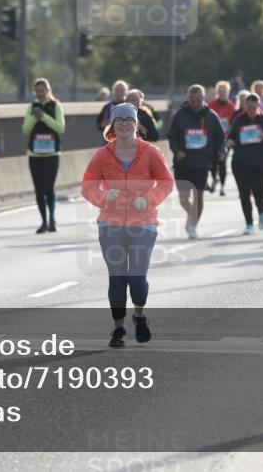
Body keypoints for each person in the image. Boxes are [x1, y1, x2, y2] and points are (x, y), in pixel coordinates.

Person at [81, 103, 174, 348]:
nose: (123, 123)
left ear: (136, 124)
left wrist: (149, 199)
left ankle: (139, 315)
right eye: (119, 119)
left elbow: (166, 182)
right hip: (110, 223)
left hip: (144, 222)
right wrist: (102, 198)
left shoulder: (151, 152)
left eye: (128, 119)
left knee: (137, 278)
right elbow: (87, 185)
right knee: (117, 278)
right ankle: (118, 329)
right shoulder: (103, 154)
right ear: (112, 125)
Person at [168, 84, 225, 239]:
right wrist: (177, 150)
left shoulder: (211, 116)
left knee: (199, 195)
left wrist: (221, 151)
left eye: (199, 101)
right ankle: (191, 214)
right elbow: (171, 136)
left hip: (202, 162)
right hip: (183, 162)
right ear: (189, 99)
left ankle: (193, 225)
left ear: (204, 99)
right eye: (193, 101)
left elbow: (220, 137)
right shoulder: (180, 115)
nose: (196, 104)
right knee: (183, 198)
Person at [226, 93, 263, 234]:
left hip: (261, 163)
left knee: (260, 193)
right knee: (244, 194)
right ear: (245, 107)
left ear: (259, 106)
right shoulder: (239, 120)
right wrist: (229, 142)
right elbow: (230, 137)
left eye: (254, 107)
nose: (251, 109)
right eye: (248, 107)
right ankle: (248, 223)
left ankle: (261, 211)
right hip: (241, 163)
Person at [23, 78, 66, 233]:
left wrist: (44, 117)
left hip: (52, 153)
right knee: (39, 189)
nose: (40, 94)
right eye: (38, 91)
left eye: (43, 91)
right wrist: (35, 117)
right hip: (34, 153)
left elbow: (60, 127)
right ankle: (44, 221)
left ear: (48, 91)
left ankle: (52, 218)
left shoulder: (56, 106)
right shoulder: (31, 107)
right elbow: (26, 130)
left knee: (48, 187)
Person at [207, 80, 236, 196]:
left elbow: (235, 123)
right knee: (213, 162)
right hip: (213, 138)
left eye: (224, 92)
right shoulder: (211, 105)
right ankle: (214, 178)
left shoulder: (232, 107)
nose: (222, 93)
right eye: (220, 91)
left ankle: (223, 187)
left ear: (228, 93)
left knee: (222, 161)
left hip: (225, 138)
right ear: (217, 92)